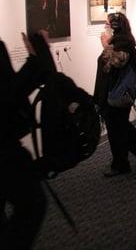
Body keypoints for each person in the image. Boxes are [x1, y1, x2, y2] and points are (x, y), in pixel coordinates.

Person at [1, 32, 52, 249]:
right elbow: (10, 93)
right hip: (3, 150)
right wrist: (35, 59)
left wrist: (37, 58)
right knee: (32, 204)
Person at [94, 12, 136, 177]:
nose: (105, 27)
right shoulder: (121, 40)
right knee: (122, 126)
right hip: (116, 92)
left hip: (118, 94)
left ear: (114, 25)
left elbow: (116, 63)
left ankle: (120, 164)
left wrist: (106, 45)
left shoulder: (123, 43)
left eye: (107, 24)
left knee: (116, 130)